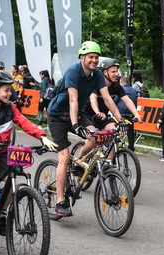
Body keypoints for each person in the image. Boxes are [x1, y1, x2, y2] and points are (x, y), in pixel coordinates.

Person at [46, 40, 128, 217]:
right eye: (91, 56)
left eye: (96, 57)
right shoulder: (73, 72)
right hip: (58, 116)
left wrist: (120, 120)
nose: (94, 60)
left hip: (78, 113)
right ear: (82, 58)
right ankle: (60, 201)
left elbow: (107, 99)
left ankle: (78, 165)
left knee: (95, 137)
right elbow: (73, 99)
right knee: (64, 157)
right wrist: (75, 125)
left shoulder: (97, 74)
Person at [0, 70, 57, 221]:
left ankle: (2, 213)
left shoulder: (10, 108)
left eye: (10, 90)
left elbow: (24, 122)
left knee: (11, 182)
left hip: (3, 150)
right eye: (6, 90)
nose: (9, 93)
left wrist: (42, 137)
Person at [81, 57, 142, 158]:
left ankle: (109, 162)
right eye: (113, 72)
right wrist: (97, 112)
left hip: (103, 117)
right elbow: (93, 98)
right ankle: (79, 160)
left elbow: (127, 100)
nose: (116, 74)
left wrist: (136, 114)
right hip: (88, 116)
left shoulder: (116, 86)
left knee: (114, 133)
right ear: (105, 72)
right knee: (93, 139)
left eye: (116, 72)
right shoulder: (96, 84)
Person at [114, 76, 138, 151]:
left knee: (117, 130)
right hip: (131, 114)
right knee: (130, 131)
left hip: (121, 113)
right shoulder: (134, 90)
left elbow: (115, 101)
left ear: (121, 83)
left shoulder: (121, 90)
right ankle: (131, 147)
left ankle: (116, 146)